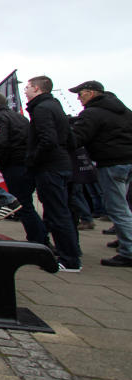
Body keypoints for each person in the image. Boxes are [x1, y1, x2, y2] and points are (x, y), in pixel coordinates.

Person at [69, 80, 132, 267]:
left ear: (91, 92)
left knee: (118, 209)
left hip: (111, 164)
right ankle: (125, 240)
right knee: (125, 207)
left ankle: (129, 251)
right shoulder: (124, 111)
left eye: (80, 94)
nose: (79, 98)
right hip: (127, 162)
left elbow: (77, 138)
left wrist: (66, 130)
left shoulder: (92, 113)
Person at [24, 76, 82, 272]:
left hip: (50, 167)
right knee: (63, 211)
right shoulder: (56, 107)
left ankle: (70, 260)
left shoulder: (42, 109)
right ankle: (71, 252)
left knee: (57, 213)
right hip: (62, 164)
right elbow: (71, 140)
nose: (25, 90)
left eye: (28, 87)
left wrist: (33, 159)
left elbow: (48, 140)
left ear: (38, 89)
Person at [0, 91, 47, 244]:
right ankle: (40, 236)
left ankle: (39, 240)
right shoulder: (20, 117)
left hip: (13, 166)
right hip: (26, 165)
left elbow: (0, 143)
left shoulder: (0, 118)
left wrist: (0, 163)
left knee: (22, 206)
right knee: (26, 205)